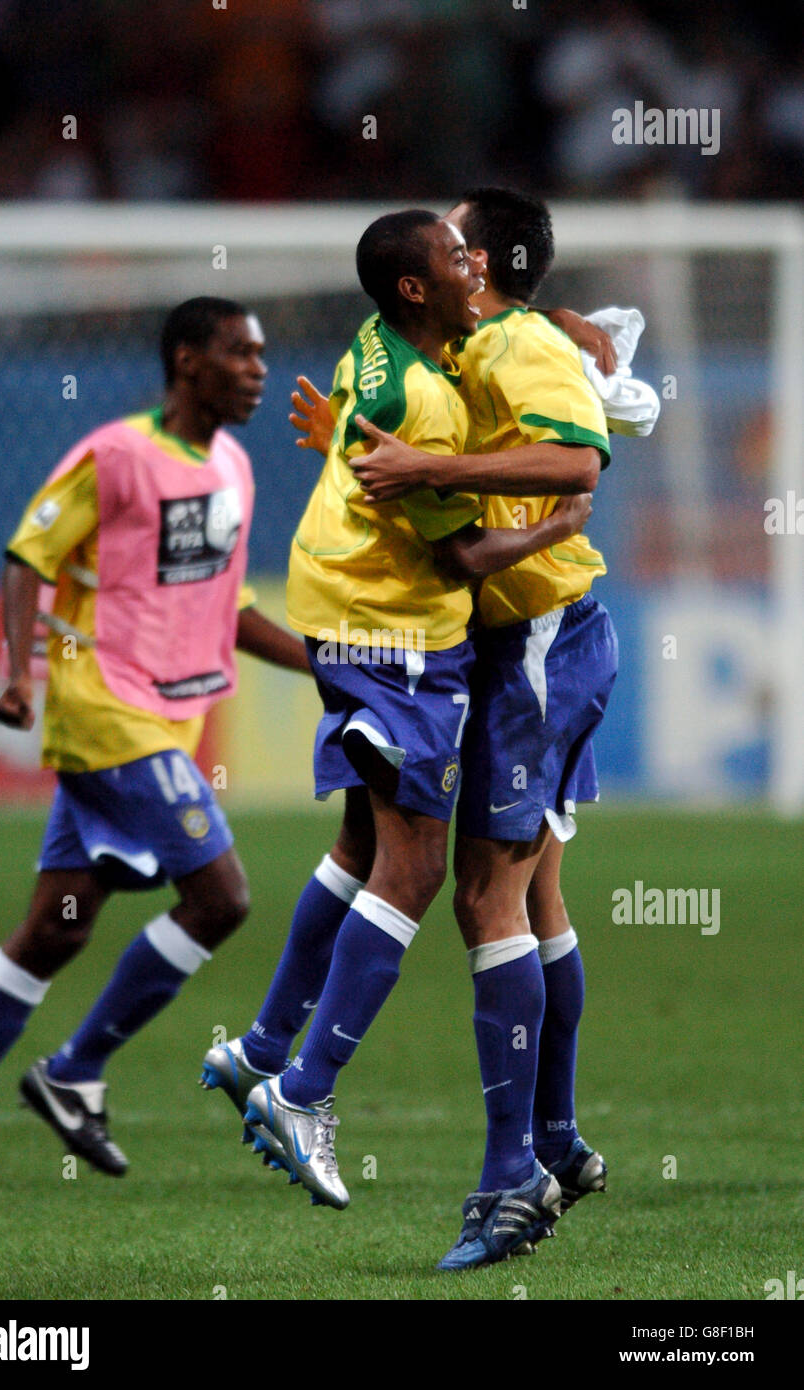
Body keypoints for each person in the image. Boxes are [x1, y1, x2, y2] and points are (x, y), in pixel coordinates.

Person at [200, 209, 592, 1218]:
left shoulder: (382, 344)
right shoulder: (423, 404)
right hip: (402, 636)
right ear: (415, 287)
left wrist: (575, 331)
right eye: (454, 256)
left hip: (342, 616)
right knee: (420, 870)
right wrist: (553, 522)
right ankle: (304, 1092)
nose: (474, 265)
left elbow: (493, 343)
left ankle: (258, 1048)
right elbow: (464, 553)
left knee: (358, 843)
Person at [0, 296, 309, 1200]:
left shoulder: (231, 465)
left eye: (261, 354)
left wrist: (324, 668)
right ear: (188, 360)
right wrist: (20, 671)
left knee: (53, 931)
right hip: (102, 709)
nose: (260, 369)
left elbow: (227, 606)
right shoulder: (115, 456)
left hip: (167, 720)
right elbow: (29, 553)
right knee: (221, 896)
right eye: (241, 353)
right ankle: (74, 1069)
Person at [351, 187, 633, 1268]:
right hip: (541, 640)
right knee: (534, 891)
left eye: (453, 239)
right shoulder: (501, 338)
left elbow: (576, 467)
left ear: (481, 263)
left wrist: (432, 470)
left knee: (484, 896)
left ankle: (509, 1180)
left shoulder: (514, 345)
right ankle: (553, 1142)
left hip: (535, 648)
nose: (437, 249)